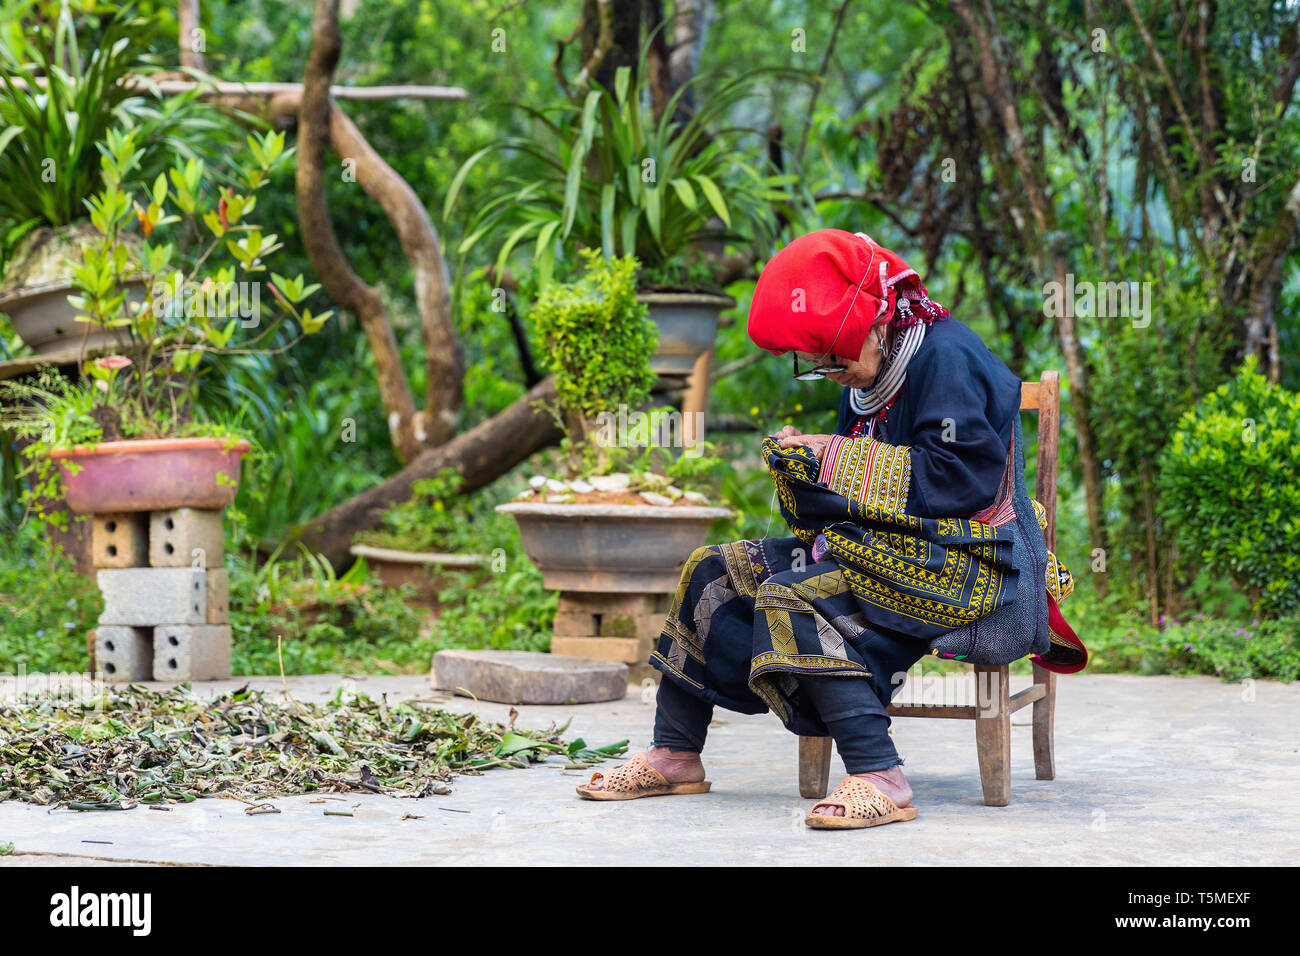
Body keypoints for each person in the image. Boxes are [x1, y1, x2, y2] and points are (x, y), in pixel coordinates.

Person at [576, 228, 1081, 828]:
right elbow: (847, 499)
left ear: (874, 323)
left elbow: (959, 482)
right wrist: (805, 468)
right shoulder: (867, 373)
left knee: (796, 597)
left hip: (971, 562)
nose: (826, 369)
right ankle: (676, 753)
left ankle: (881, 777)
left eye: (831, 356)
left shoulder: (947, 357)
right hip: (875, 548)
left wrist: (836, 458)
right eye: (814, 362)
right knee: (711, 570)